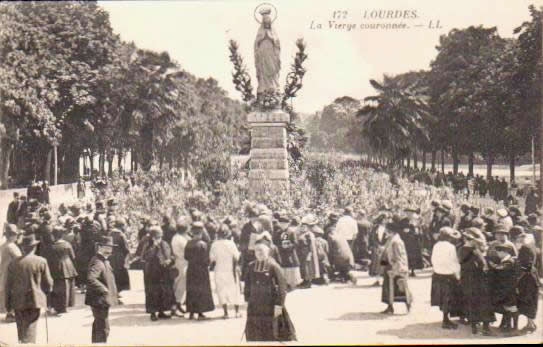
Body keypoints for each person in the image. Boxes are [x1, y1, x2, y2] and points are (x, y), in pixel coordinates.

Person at [244, 237, 296, 342]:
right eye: (256, 250)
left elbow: (282, 287)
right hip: (255, 305)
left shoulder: (273, 266)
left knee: (273, 333)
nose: (259, 253)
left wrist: (279, 305)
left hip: (270, 305)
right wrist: (247, 299)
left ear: (267, 251)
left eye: (261, 250)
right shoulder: (250, 266)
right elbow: (247, 285)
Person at [6, 233, 53, 344]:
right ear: (34, 247)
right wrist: (46, 293)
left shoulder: (13, 263)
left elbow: (8, 285)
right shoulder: (41, 261)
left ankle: (23, 342)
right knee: (31, 327)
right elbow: (49, 283)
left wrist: (7, 304)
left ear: (22, 248)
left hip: (17, 300)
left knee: (21, 327)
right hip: (34, 299)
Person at [459, 227, 495, 336]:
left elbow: (461, 262)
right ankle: (485, 326)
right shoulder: (479, 250)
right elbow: (484, 265)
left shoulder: (462, 249)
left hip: (469, 278)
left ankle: (474, 325)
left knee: (471, 300)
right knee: (484, 301)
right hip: (479, 278)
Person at [85, 235, 118, 343]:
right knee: (103, 327)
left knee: (100, 325)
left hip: (101, 300)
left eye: (111, 247)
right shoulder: (98, 261)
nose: (110, 250)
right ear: (100, 247)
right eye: (107, 247)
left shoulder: (104, 260)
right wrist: (104, 290)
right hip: (99, 300)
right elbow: (91, 279)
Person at [487, 223, 518, 333]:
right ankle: (504, 321)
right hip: (495, 276)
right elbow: (488, 257)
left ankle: (507, 322)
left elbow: (515, 257)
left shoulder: (510, 245)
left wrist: (506, 263)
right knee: (497, 300)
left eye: (502, 234)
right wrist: (492, 265)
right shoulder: (492, 244)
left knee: (507, 300)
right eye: (497, 234)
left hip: (506, 276)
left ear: (506, 235)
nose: (500, 236)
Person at [142, 226, 176, 321]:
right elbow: (145, 257)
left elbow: (172, 255)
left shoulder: (165, 243)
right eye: (157, 235)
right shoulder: (148, 245)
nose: (159, 237)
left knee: (163, 292)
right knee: (153, 292)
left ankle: (161, 311)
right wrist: (154, 246)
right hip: (152, 272)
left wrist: (170, 260)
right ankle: (153, 313)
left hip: (164, 271)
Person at [380, 215, 412, 315]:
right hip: (390, 266)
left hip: (396, 267)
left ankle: (407, 304)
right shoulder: (391, 240)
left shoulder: (396, 241)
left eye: (386, 230)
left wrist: (397, 270)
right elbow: (385, 255)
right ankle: (389, 306)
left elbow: (399, 257)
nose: (385, 232)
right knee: (387, 287)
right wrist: (383, 267)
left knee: (400, 287)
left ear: (391, 231)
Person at [430, 227, 461, 330]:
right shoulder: (451, 247)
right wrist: (457, 275)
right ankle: (446, 320)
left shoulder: (436, 245)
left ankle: (445, 319)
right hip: (448, 275)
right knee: (448, 299)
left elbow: (433, 259)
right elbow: (454, 262)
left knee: (442, 298)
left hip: (438, 274)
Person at [209, 223, 242, 319]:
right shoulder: (231, 244)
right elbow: (237, 256)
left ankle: (226, 312)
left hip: (219, 269)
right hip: (230, 269)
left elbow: (212, 259)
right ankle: (236, 311)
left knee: (221, 290)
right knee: (234, 290)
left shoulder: (214, 244)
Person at [184, 221, 215, 320]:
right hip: (201, 270)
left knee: (192, 290)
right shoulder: (203, 244)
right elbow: (206, 259)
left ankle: (191, 312)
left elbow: (186, 257)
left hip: (191, 269)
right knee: (201, 290)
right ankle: (200, 312)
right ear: (201, 233)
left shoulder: (188, 243)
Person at [49, 226, 78, 315]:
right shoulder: (67, 244)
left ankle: (58, 306)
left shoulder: (52, 246)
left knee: (58, 288)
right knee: (67, 287)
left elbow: (50, 258)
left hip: (57, 267)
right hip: (68, 265)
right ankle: (66, 306)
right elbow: (73, 256)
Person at [325, 213, 357, 285]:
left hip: (340, 259)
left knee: (328, 258)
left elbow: (329, 251)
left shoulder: (331, 237)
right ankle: (346, 275)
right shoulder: (340, 234)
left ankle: (339, 275)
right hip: (349, 258)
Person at [516, 239, 539, 334]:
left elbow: (526, 266)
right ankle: (530, 323)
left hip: (527, 279)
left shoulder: (524, 249)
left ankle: (531, 324)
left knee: (527, 300)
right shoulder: (530, 247)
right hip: (532, 277)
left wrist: (518, 279)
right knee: (530, 301)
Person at [0, 224, 22, 322]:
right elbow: (19, 259)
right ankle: (11, 314)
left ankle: (10, 313)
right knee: (14, 292)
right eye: (16, 235)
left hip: (5, 271)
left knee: (8, 292)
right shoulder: (12, 246)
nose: (17, 237)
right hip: (12, 273)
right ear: (12, 235)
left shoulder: (3, 245)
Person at [276, 212, 302, 290]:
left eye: (285, 223)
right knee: (283, 268)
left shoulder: (291, 232)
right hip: (281, 253)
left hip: (290, 254)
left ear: (288, 224)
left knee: (291, 268)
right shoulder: (278, 232)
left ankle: (292, 284)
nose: (283, 225)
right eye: (281, 223)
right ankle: (284, 283)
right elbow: (275, 242)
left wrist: (289, 246)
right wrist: (280, 246)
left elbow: (296, 243)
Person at [170, 217, 191, 315]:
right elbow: (188, 249)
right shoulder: (181, 239)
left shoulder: (177, 237)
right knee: (180, 285)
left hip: (180, 262)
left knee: (180, 285)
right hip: (182, 262)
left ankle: (178, 305)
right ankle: (175, 306)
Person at [109, 219, 131, 301]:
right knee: (120, 274)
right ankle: (117, 291)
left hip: (111, 256)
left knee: (113, 274)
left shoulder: (110, 233)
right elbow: (126, 248)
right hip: (119, 257)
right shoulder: (121, 235)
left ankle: (114, 291)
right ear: (121, 226)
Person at [297, 214, 320, 288]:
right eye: (302, 226)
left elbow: (311, 246)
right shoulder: (302, 234)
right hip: (302, 253)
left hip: (307, 253)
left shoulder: (309, 235)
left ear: (308, 227)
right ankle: (304, 280)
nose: (303, 228)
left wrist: (309, 254)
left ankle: (308, 282)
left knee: (308, 268)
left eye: (305, 227)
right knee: (303, 267)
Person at [369, 213, 388, 286]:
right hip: (377, 248)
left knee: (384, 264)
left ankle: (384, 280)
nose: (386, 220)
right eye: (385, 219)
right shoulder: (375, 228)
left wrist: (384, 245)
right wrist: (377, 245)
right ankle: (377, 280)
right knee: (377, 265)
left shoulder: (388, 228)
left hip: (385, 248)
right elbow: (372, 238)